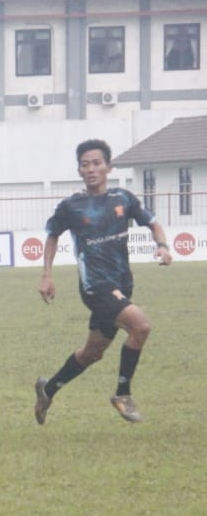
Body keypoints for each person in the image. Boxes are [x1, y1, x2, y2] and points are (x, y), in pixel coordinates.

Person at [34, 138, 172, 425]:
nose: (90, 169)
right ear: (79, 170)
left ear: (108, 166)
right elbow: (52, 235)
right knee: (141, 326)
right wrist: (47, 275)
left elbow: (153, 222)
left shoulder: (123, 198)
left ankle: (48, 389)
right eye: (85, 165)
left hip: (122, 282)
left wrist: (162, 245)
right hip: (95, 286)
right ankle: (123, 394)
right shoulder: (71, 206)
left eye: (96, 163)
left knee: (93, 352)